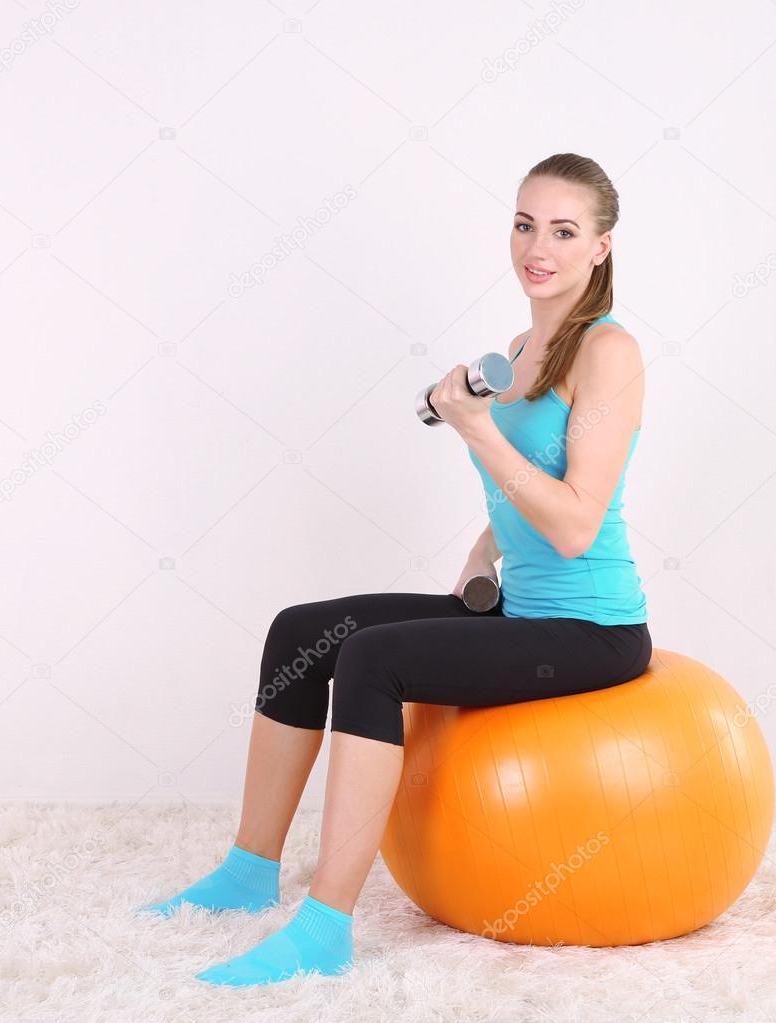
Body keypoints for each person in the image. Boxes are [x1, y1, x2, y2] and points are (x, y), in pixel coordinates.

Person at [136, 152, 652, 986]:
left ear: (600, 247)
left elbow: (576, 521)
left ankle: (325, 927)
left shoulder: (608, 353)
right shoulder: (521, 349)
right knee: (305, 630)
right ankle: (247, 869)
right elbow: (522, 501)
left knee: (372, 659)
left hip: (593, 629)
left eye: (563, 230)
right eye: (524, 223)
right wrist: (477, 569)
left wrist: (475, 431)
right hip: (519, 607)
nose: (537, 245)